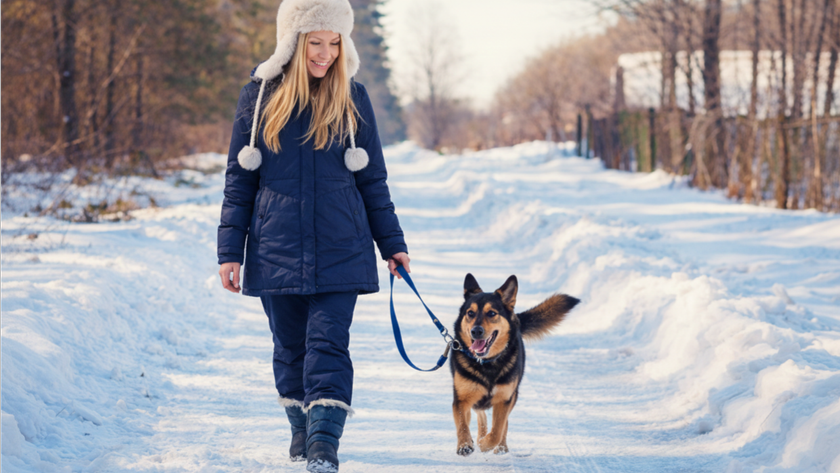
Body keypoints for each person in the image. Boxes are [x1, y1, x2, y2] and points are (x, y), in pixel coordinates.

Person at [216, 1, 409, 471]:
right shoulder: (258, 98)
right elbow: (239, 181)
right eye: (315, 42)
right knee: (290, 349)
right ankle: (301, 429)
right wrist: (229, 251)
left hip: (343, 247)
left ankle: (324, 442)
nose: (325, 53)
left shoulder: (353, 97)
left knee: (327, 345)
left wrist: (393, 244)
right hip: (275, 247)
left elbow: (373, 181)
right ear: (293, 42)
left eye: (334, 42)